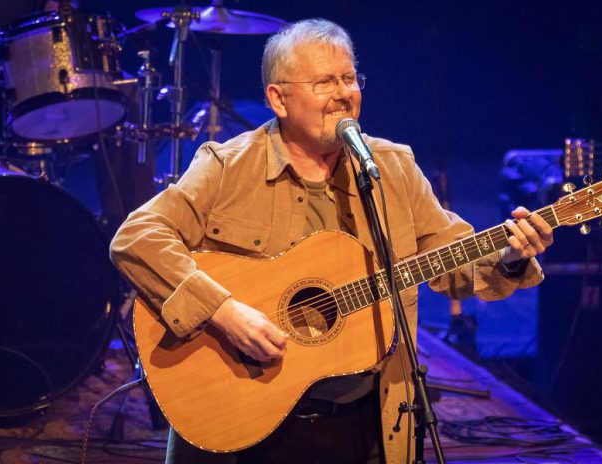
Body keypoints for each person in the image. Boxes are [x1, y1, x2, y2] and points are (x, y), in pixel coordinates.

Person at [110, 18, 554, 464]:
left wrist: (510, 257)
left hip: (366, 422)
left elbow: (454, 261)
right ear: (278, 99)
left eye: (349, 78)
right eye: (325, 81)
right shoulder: (227, 166)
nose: (344, 93)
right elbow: (137, 237)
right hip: (241, 417)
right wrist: (223, 312)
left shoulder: (391, 169)